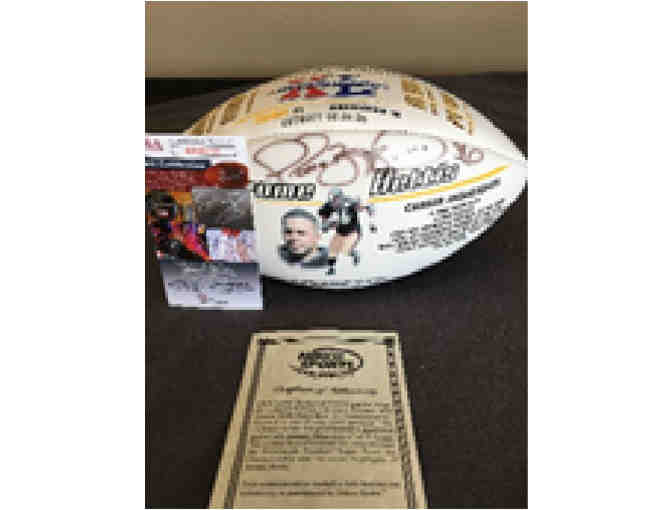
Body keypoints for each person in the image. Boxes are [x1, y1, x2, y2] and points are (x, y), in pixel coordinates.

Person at [318, 188, 376, 275]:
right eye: (332, 199)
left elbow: (364, 208)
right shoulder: (329, 205)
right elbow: (323, 216)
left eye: (335, 199)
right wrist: (325, 225)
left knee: (345, 250)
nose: (333, 202)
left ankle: (354, 253)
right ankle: (331, 268)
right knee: (332, 249)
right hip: (340, 231)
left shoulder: (350, 203)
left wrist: (370, 213)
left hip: (353, 230)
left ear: (340, 197)